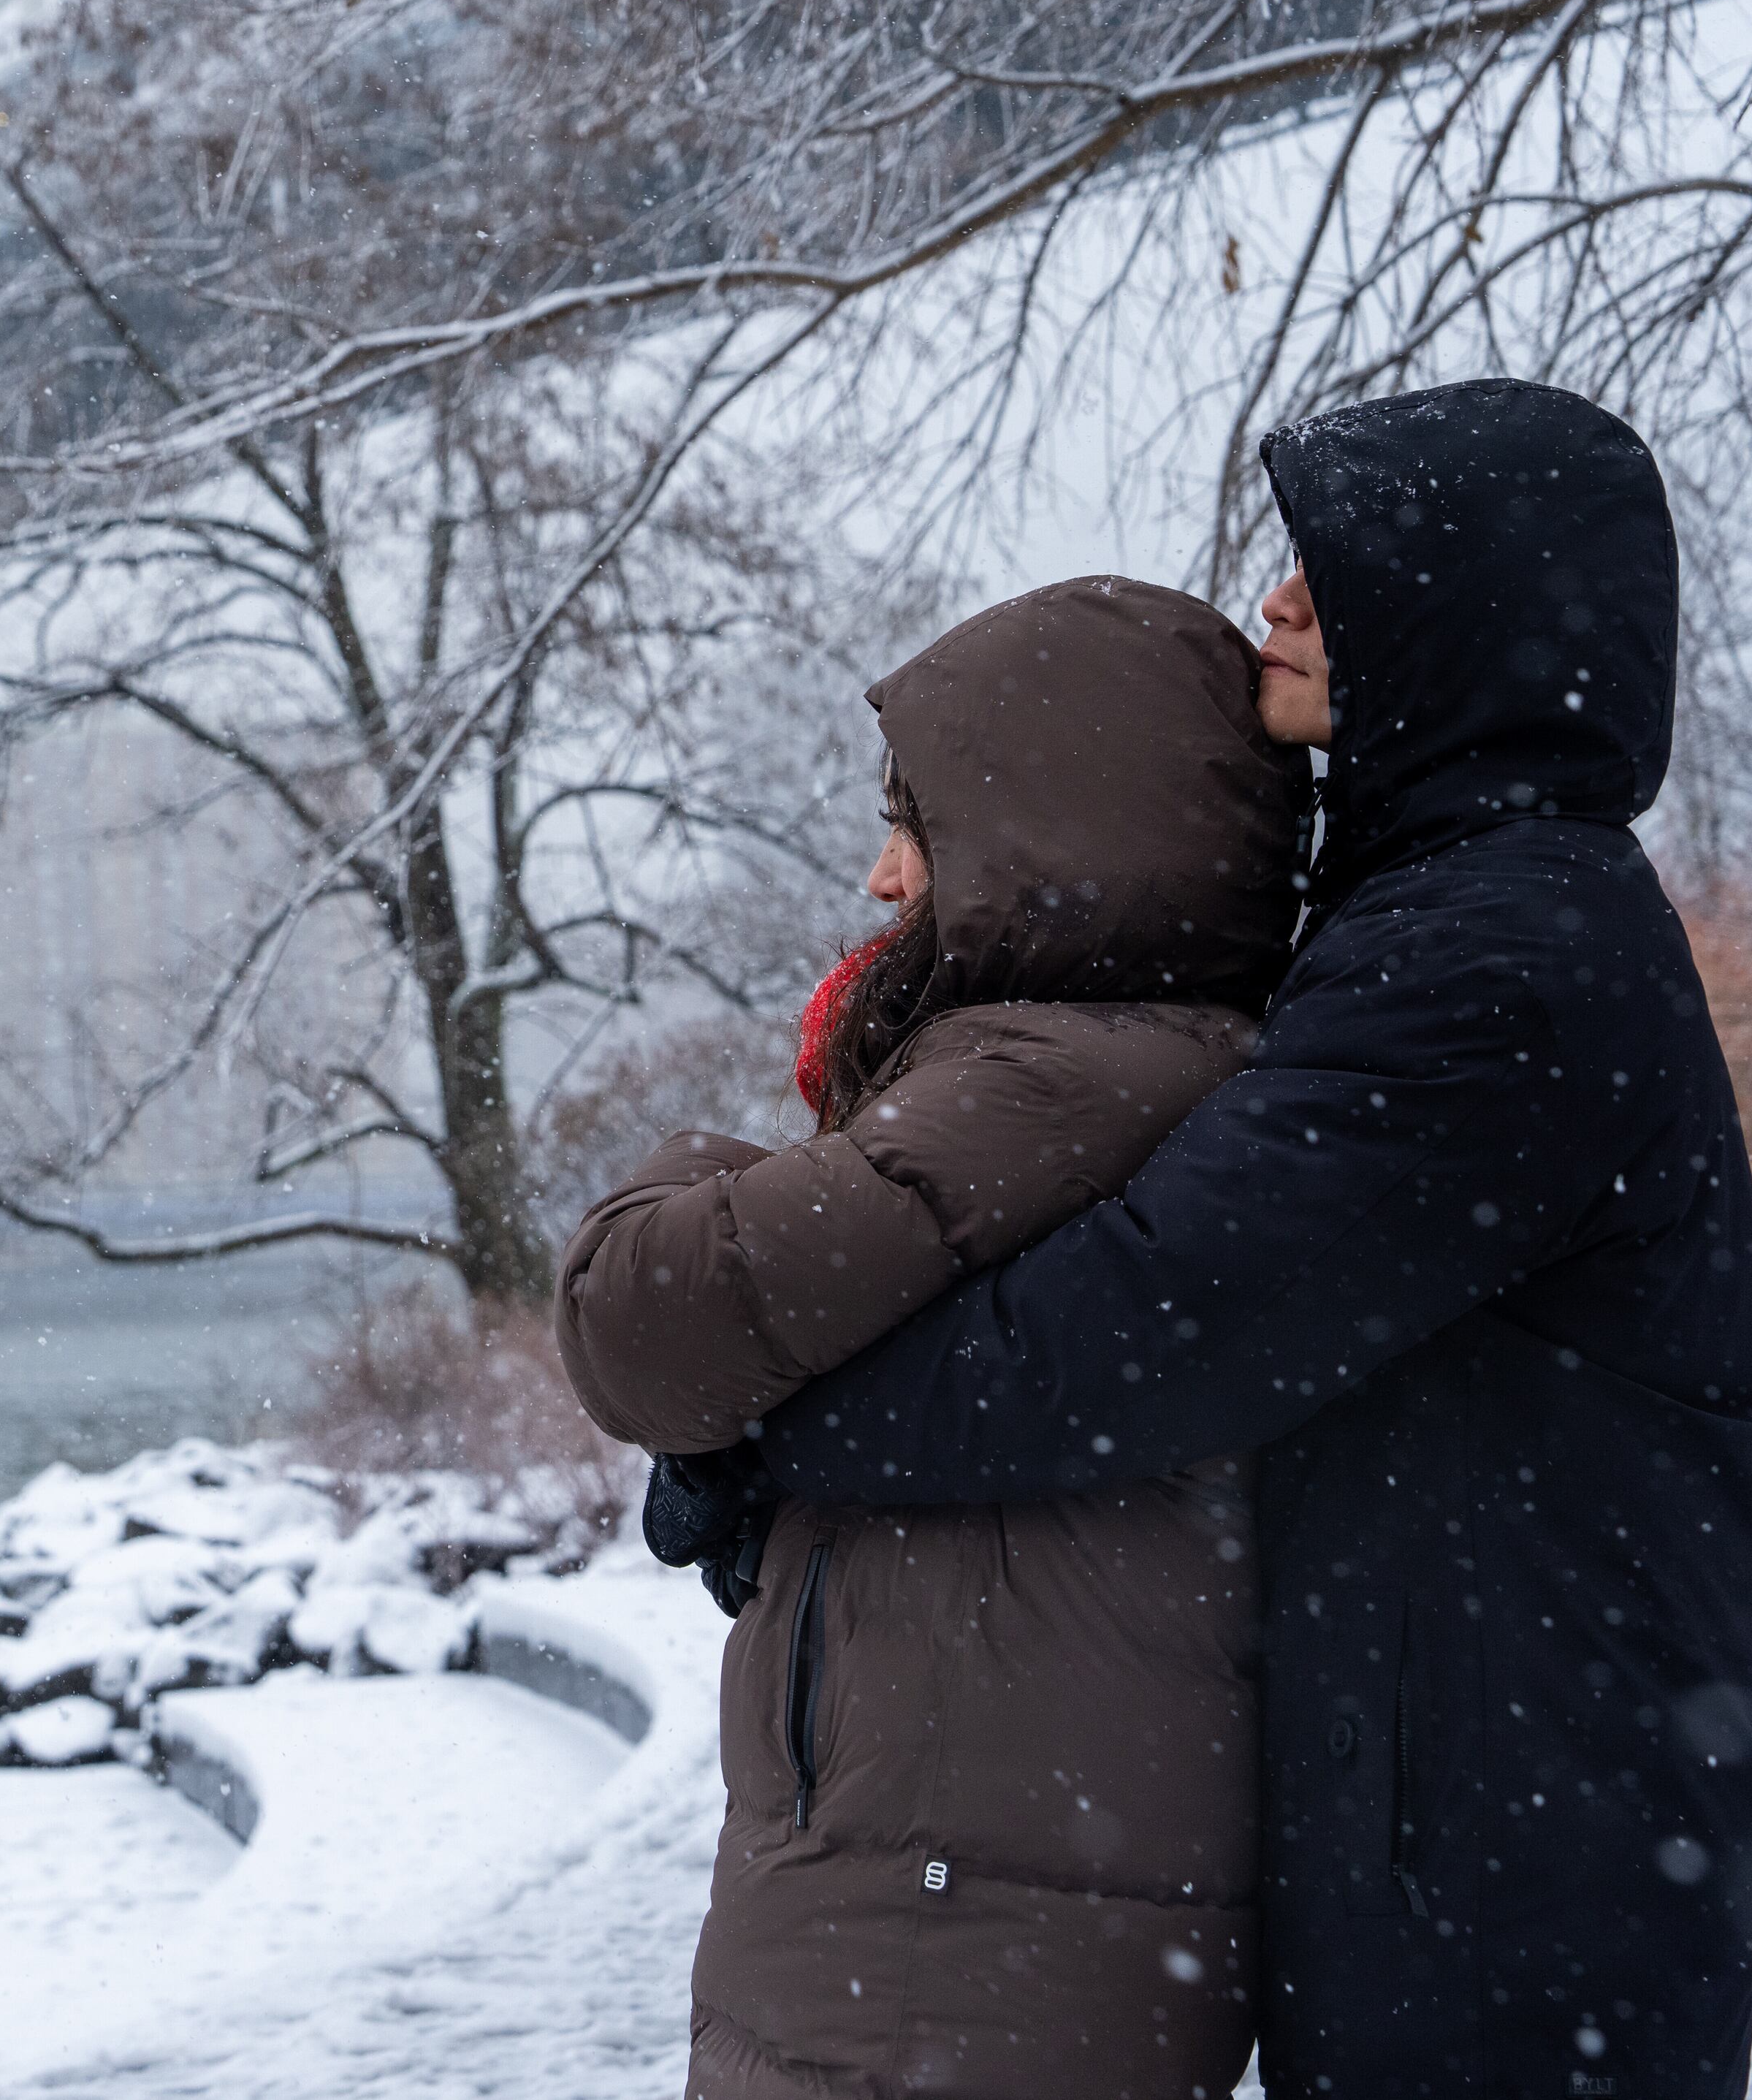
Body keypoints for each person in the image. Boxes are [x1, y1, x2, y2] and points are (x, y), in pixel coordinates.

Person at [752, 379, 1752, 2098]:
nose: (1283, 599)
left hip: (1513, 1848)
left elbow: (1149, 1323)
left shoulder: (1498, 953)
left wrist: (777, 1423)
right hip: (1497, 1798)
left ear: (1473, 616)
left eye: (1341, 565)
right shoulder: (1458, 904)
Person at [556, 574, 1313, 2100]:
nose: (882, 871)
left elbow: (638, 1326)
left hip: (944, 1946)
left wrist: (695, 1165)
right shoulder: (1132, 1066)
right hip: (965, 1908)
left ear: (1056, 838)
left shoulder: (1047, 1082)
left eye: (921, 822)